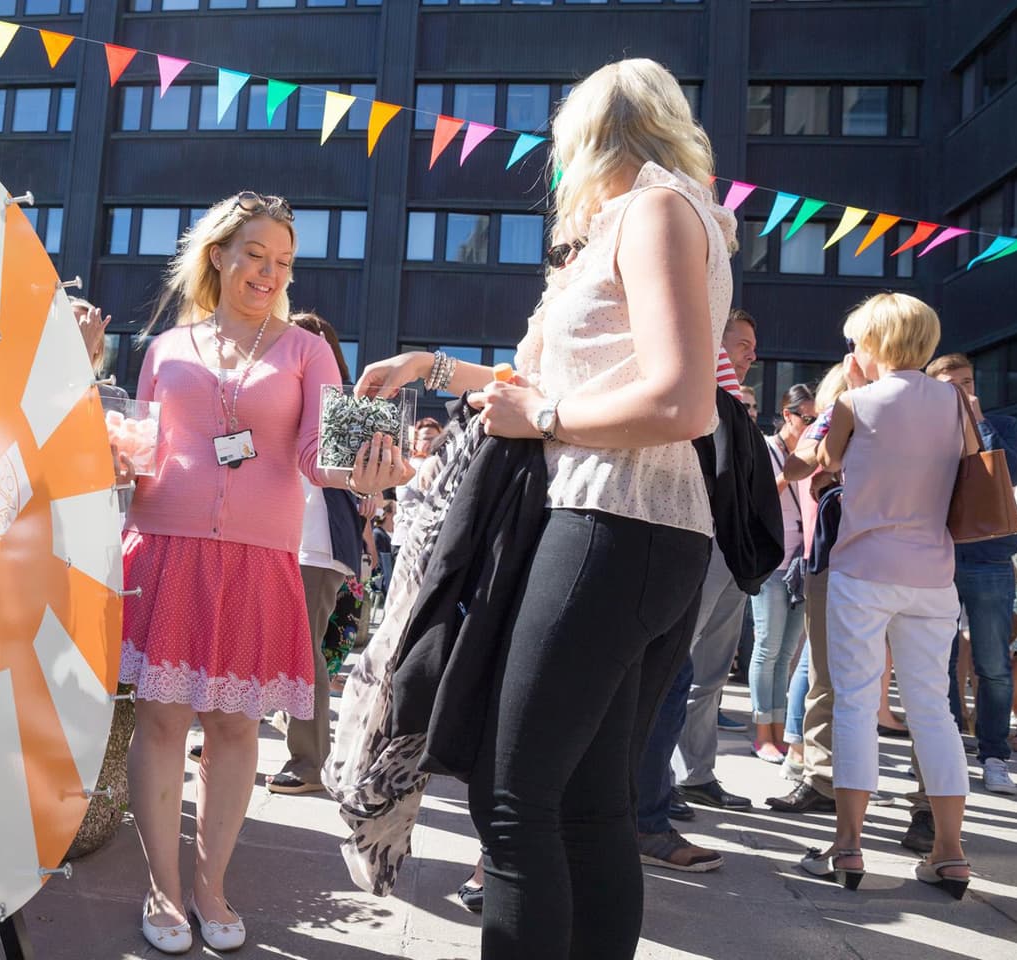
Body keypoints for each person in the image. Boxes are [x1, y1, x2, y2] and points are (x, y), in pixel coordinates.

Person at [357, 57, 730, 959]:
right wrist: (430, 368)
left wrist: (549, 418)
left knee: (513, 799)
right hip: (638, 533)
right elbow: (547, 383)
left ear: (588, 138)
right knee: (587, 803)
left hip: (612, 524)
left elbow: (684, 402)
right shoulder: (661, 216)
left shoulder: (651, 210)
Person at [121, 191, 411, 954]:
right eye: (256, 255)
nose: (269, 273)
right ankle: (162, 887)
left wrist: (378, 467)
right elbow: (143, 449)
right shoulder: (166, 348)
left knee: (236, 724)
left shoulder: (306, 350)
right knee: (159, 721)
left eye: (282, 262)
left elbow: (324, 457)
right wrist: (115, 455)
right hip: (165, 548)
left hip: (259, 560)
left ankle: (210, 883)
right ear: (219, 254)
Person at [800, 293, 971, 900]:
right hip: (933, 573)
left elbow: (814, 465)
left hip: (863, 568)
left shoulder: (853, 401)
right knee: (934, 709)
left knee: (853, 704)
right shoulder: (957, 401)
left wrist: (841, 399)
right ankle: (949, 853)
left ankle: (848, 845)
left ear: (872, 344)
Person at [268, 311, 367, 796]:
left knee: (303, 651)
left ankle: (310, 762)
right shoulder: (271, 391)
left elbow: (363, 476)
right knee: (260, 641)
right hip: (270, 534)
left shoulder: (344, 408)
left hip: (316, 542)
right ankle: (232, 734)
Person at [672, 307, 763, 812]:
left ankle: (696, 773)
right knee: (674, 667)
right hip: (696, 542)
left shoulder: (736, 406)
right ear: (717, 341)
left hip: (732, 551)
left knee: (710, 673)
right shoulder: (698, 394)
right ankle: (655, 781)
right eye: (743, 344)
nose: (752, 355)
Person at [926, 352, 1017, 795]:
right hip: (937, 555)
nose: (963, 390)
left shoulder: (1002, 427)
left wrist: (978, 421)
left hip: (989, 557)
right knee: (938, 662)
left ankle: (994, 755)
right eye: (952, 384)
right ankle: (944, 754)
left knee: (993, 664)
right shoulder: (924, 431)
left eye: (967, 381)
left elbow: (1012, 473)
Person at [769, 365, 846, 812]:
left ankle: (814, 769)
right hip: (822, 558)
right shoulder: (836, 416)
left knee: (818, 673)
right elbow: (797, 469)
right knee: (810, 669)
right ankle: (810, 769)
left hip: (855, 563)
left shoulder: (936, 406)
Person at [749, 384, 814, 763]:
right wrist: (791, 472)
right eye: (807, 418)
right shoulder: (766, 449)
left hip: (801, 563)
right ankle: (763, 733)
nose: (812, 424)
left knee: (787, 651)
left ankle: (779, 729)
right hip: (772, 560)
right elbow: (755, 500)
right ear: (788, 416)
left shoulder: (811, 450)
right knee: (767, 648)